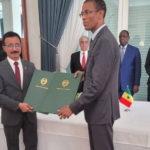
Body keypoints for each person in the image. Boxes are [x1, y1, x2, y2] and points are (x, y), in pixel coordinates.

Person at [58, 0, 120, 150]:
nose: (83, 17)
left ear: (100, 13)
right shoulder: (97, 38)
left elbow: (97, 85)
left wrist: (73, 107)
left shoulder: (104, 40)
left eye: (87, 12)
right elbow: (102, 71)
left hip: (101, 111)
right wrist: (85, 74)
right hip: (98, 110)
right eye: (82, 13)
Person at [0, 31, 37, 150]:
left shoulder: (30, 66)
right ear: (4, 48)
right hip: (10, 116)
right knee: (13, 147)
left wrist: (52, 80)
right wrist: (18, 105)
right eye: (10, 45)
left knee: (32, 146)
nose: (14, 48)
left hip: (30, 115)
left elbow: (37, 88)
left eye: (17, 45)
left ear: (21, 46)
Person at [119, 30, 141, 97]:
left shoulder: (135, 51)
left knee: (126, 106)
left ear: (128, 38)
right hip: (116, 87)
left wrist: (136, 84)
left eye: (124, 36)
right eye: (120, 36)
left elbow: (138, 69)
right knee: (116, 107)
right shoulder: (115, 50)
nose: (121, 38)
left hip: (128, 87)